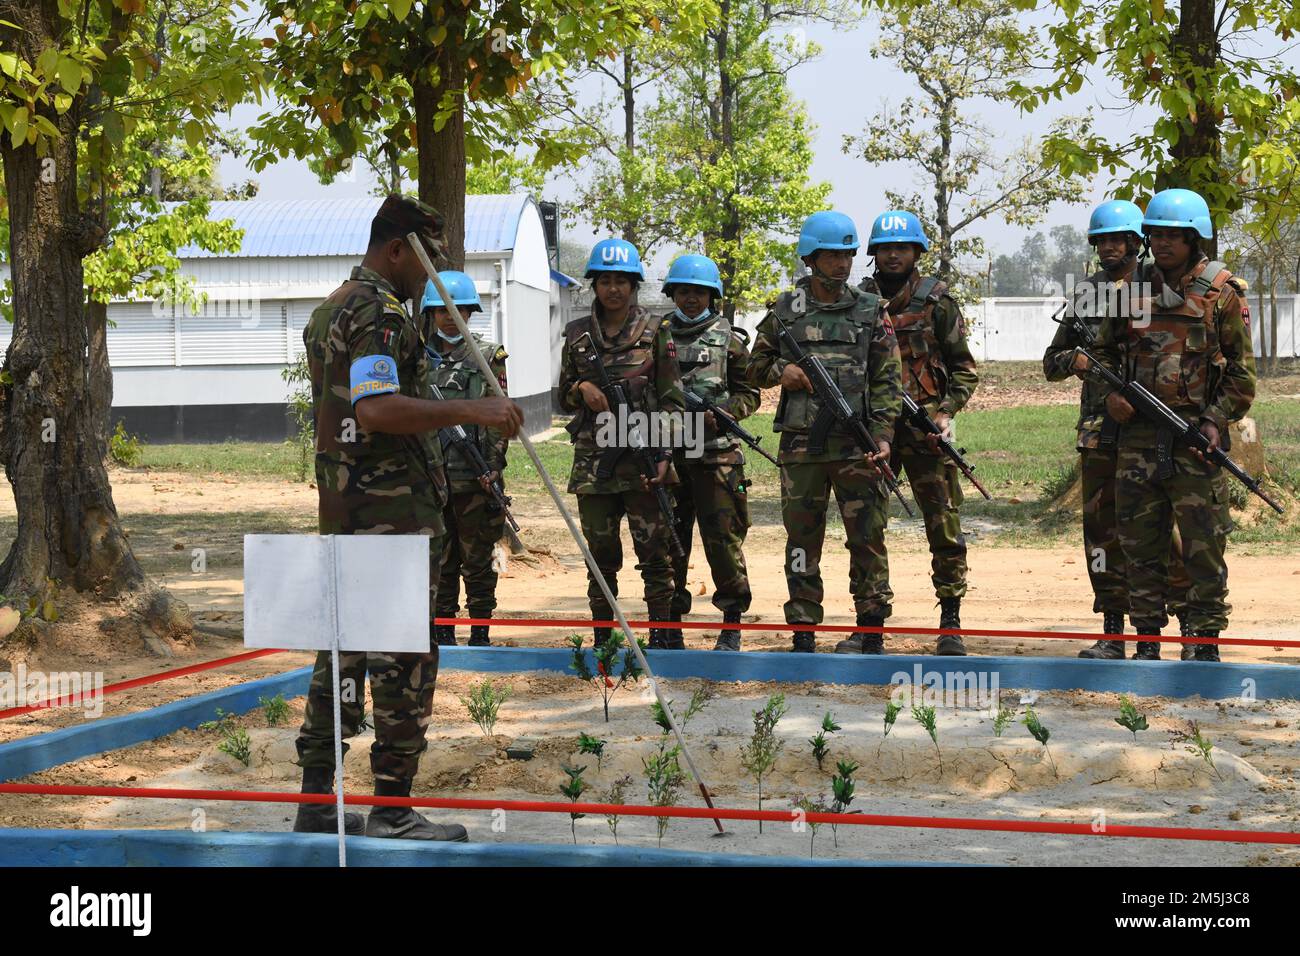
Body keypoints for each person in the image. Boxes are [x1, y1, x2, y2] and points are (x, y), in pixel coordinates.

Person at [293, 195, 523, 841]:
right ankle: (392, 810)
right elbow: (376, 409)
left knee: (338, 660)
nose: (428, 278)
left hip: (344, 512)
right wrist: (472, 411)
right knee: (402, 663)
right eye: (423, 262)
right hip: (390, 520)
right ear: (397, 249)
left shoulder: (331, 307)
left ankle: (316, 803)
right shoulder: (381, 312)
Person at [1094, 188, 1257, 662]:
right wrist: (1114, 395)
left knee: (1204, 545)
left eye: (1174, 236)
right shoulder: (1129, 293)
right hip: (1137, 440)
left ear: (1193, 239)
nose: (1163, 243)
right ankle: (1146, 640)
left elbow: (1243, 375)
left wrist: (1214, 420)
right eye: (1156, 234)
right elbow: (1101, 354)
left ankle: (1203, 641)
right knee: (1138, 543)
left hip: (1195, 441)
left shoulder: (1220, 294)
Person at [748, 211, 903, 654]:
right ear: (811, 258)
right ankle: (803, 627)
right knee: (801, 537)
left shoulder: (872, 310)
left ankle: (871, 626)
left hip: (859, 446)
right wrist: (785, 370)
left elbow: (888, 381)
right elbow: (753, 367)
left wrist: (884, 436)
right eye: (832, 255)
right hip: (802, 448)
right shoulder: (784, 310)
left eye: (847, 255)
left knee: (868, 537)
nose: (842, 263)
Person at [1043, 199, 1192, 659]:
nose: (1108, 248)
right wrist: (1077, 360)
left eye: (1117, 240)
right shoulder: (1086, 293)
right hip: (1100, 431)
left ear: (1135, 242)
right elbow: (1051, 362)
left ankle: (1187, 625)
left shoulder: (1157, 288)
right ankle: (1113, 628)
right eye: (1101, 241)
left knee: (1160, 530)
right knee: (1101, 531)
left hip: (1150, 430)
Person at [557, 238, 686, 650]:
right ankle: (603, 639)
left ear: (634, 286)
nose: (613, 289)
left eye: (622, 282)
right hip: (595, 463)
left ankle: (662, 636)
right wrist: (583, 388)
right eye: (605, 281)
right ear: (593, 285)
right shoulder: (578, 334)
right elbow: (561, 394)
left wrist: (666, 454)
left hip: (645, 459)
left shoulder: (655, 329)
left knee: (655, 552)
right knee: (600, 555)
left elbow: (672, 397)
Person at [860, 211, 978, 655]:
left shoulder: (938, 302)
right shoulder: (858, 302)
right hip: (875, 430)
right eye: (886, 248)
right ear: (874, 253)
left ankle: (951, 620)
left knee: (943, 523)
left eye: (902, 248)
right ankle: (870, 621)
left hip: (926, 429)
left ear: (916, 253)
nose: (893, 255)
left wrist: (946, 411)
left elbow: (964, 370)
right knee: (867, 526)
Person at [661, 254, 760, 651]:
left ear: (712, 296)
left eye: (699, 292)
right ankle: (669, 624)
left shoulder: (730, 339)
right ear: (672, 293)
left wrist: (722, 416)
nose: (690, 299)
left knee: (723, 542)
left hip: (717, 457)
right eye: (683, 291)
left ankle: (731, 625)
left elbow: (750, 394)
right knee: (670, 542)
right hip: (668, 456)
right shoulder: (659, 336)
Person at [421, 271, 510, 648]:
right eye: (440, 309)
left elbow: (498, 418)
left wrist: (491, 467)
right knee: (439, 561)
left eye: (457, 308)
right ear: (430, 312)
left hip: (476, 479)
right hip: (430, 480)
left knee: (478, 561)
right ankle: (442, 632)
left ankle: (480, 631)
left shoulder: (488, 356)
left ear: (471, 311)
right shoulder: (416, 359)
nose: (448, 315)